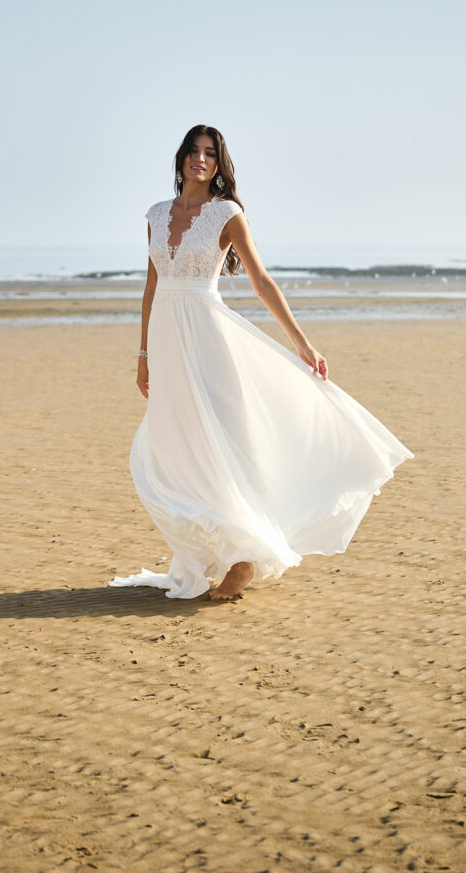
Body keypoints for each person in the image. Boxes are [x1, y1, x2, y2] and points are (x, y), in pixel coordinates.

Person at [109, 124, 414, 602]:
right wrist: (143, 355)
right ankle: (208, 551)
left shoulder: (226, 214)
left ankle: (243, 559)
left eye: (210, 153)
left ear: (219, 164)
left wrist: (303, 344)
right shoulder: (155, 214)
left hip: (208, 337)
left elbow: (261, 282)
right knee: (176, 445)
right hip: (167, 342)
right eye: (193, 151)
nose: (201, 159)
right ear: (181, 158)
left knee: (219, 442)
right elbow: (151, 289)